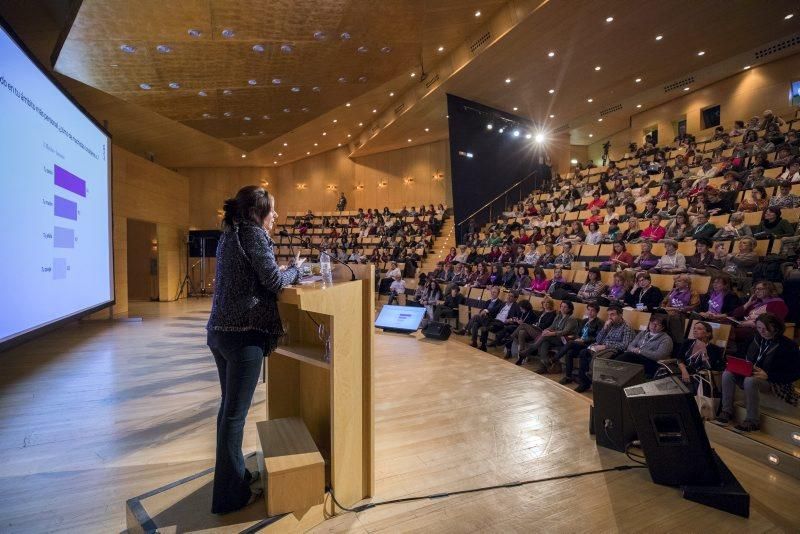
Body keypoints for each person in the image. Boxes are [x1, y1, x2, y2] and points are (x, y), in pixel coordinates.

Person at [207, 185, 302, 513]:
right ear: (254, 213)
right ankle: (230, 497)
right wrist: (297, 269)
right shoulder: (253, 234)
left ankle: (235, 478)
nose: (275, 216)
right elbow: (275, 283)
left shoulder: (229, 233)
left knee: (227, 412)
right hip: (242, 334)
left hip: (220, 333)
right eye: (272, 210)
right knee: (234, 417)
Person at [718, 314, 800, 432]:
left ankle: (752, 421)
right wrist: (734, 364)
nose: (762, 331)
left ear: (776, 327)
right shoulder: (754, 338)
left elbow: (795, 373)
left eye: (766, 328)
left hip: (774, 381)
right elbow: (740, 355)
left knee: (750, 380)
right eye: (759, 328)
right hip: (750, 373)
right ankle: (726, 411)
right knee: (727, 373)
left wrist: (768, 375)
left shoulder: (788, 345)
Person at [573, 305, 636, 392]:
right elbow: (598, 340)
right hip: (602, 348)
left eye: (613, 315)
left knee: (598, 357)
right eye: (609, 315)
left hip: (615, 351)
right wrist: (605, 328)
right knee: (583, 352)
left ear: (620, 315)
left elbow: (625, 345)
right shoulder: (609, 325)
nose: (610, 317)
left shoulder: (627, 328)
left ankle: (595, 381)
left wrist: (606, 345)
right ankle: (584, 383)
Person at [527, 301, 580, 373]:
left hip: (564, 340)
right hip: (555, 338)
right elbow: (552, 326)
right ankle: (544, 367)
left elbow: (565, 332)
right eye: (561, 306)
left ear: (569, 309)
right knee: (544, 343)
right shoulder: (559, 316)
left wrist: (551, 333)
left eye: (565, 307)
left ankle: (533, 347)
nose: (562, 308)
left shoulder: (571, 319)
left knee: (545, 337)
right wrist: (546, 330)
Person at [556, 302, 603, 384]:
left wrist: (583, 340)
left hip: (588, 345)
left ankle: (554, 359)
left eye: (592, 310)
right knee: (569, 352)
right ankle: (568, 377)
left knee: (570, 343)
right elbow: (577, 333)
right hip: (578, 343)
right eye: (588, 310)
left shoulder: (599, 322)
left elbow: (597, 338)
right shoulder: (584, 321)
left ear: (596, 312)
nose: (590, 312)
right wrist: (577, 338)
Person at [676, 321, 726, 391]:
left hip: (699, 378)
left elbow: (708, 367)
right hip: (681, 372)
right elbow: (679, 359)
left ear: (708, 334)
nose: (695, 330)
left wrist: (703, 351)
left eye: (699, 329)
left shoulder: (715, 349)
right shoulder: (687, 342)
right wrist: (684, 371)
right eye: (694, 328)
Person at [511, 297, 557, 362]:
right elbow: (535, 321)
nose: (545, 304)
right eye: (544, 302)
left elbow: (546, 325)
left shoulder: (552, 314)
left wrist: (536, 324)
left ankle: (511, 337)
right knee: (521, 332)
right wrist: (535, 324)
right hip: (535, 329)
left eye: (547, 302)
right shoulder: (542, 312)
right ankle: (521, 355)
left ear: (551, 304)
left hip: (541, 332)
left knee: (523, 324)